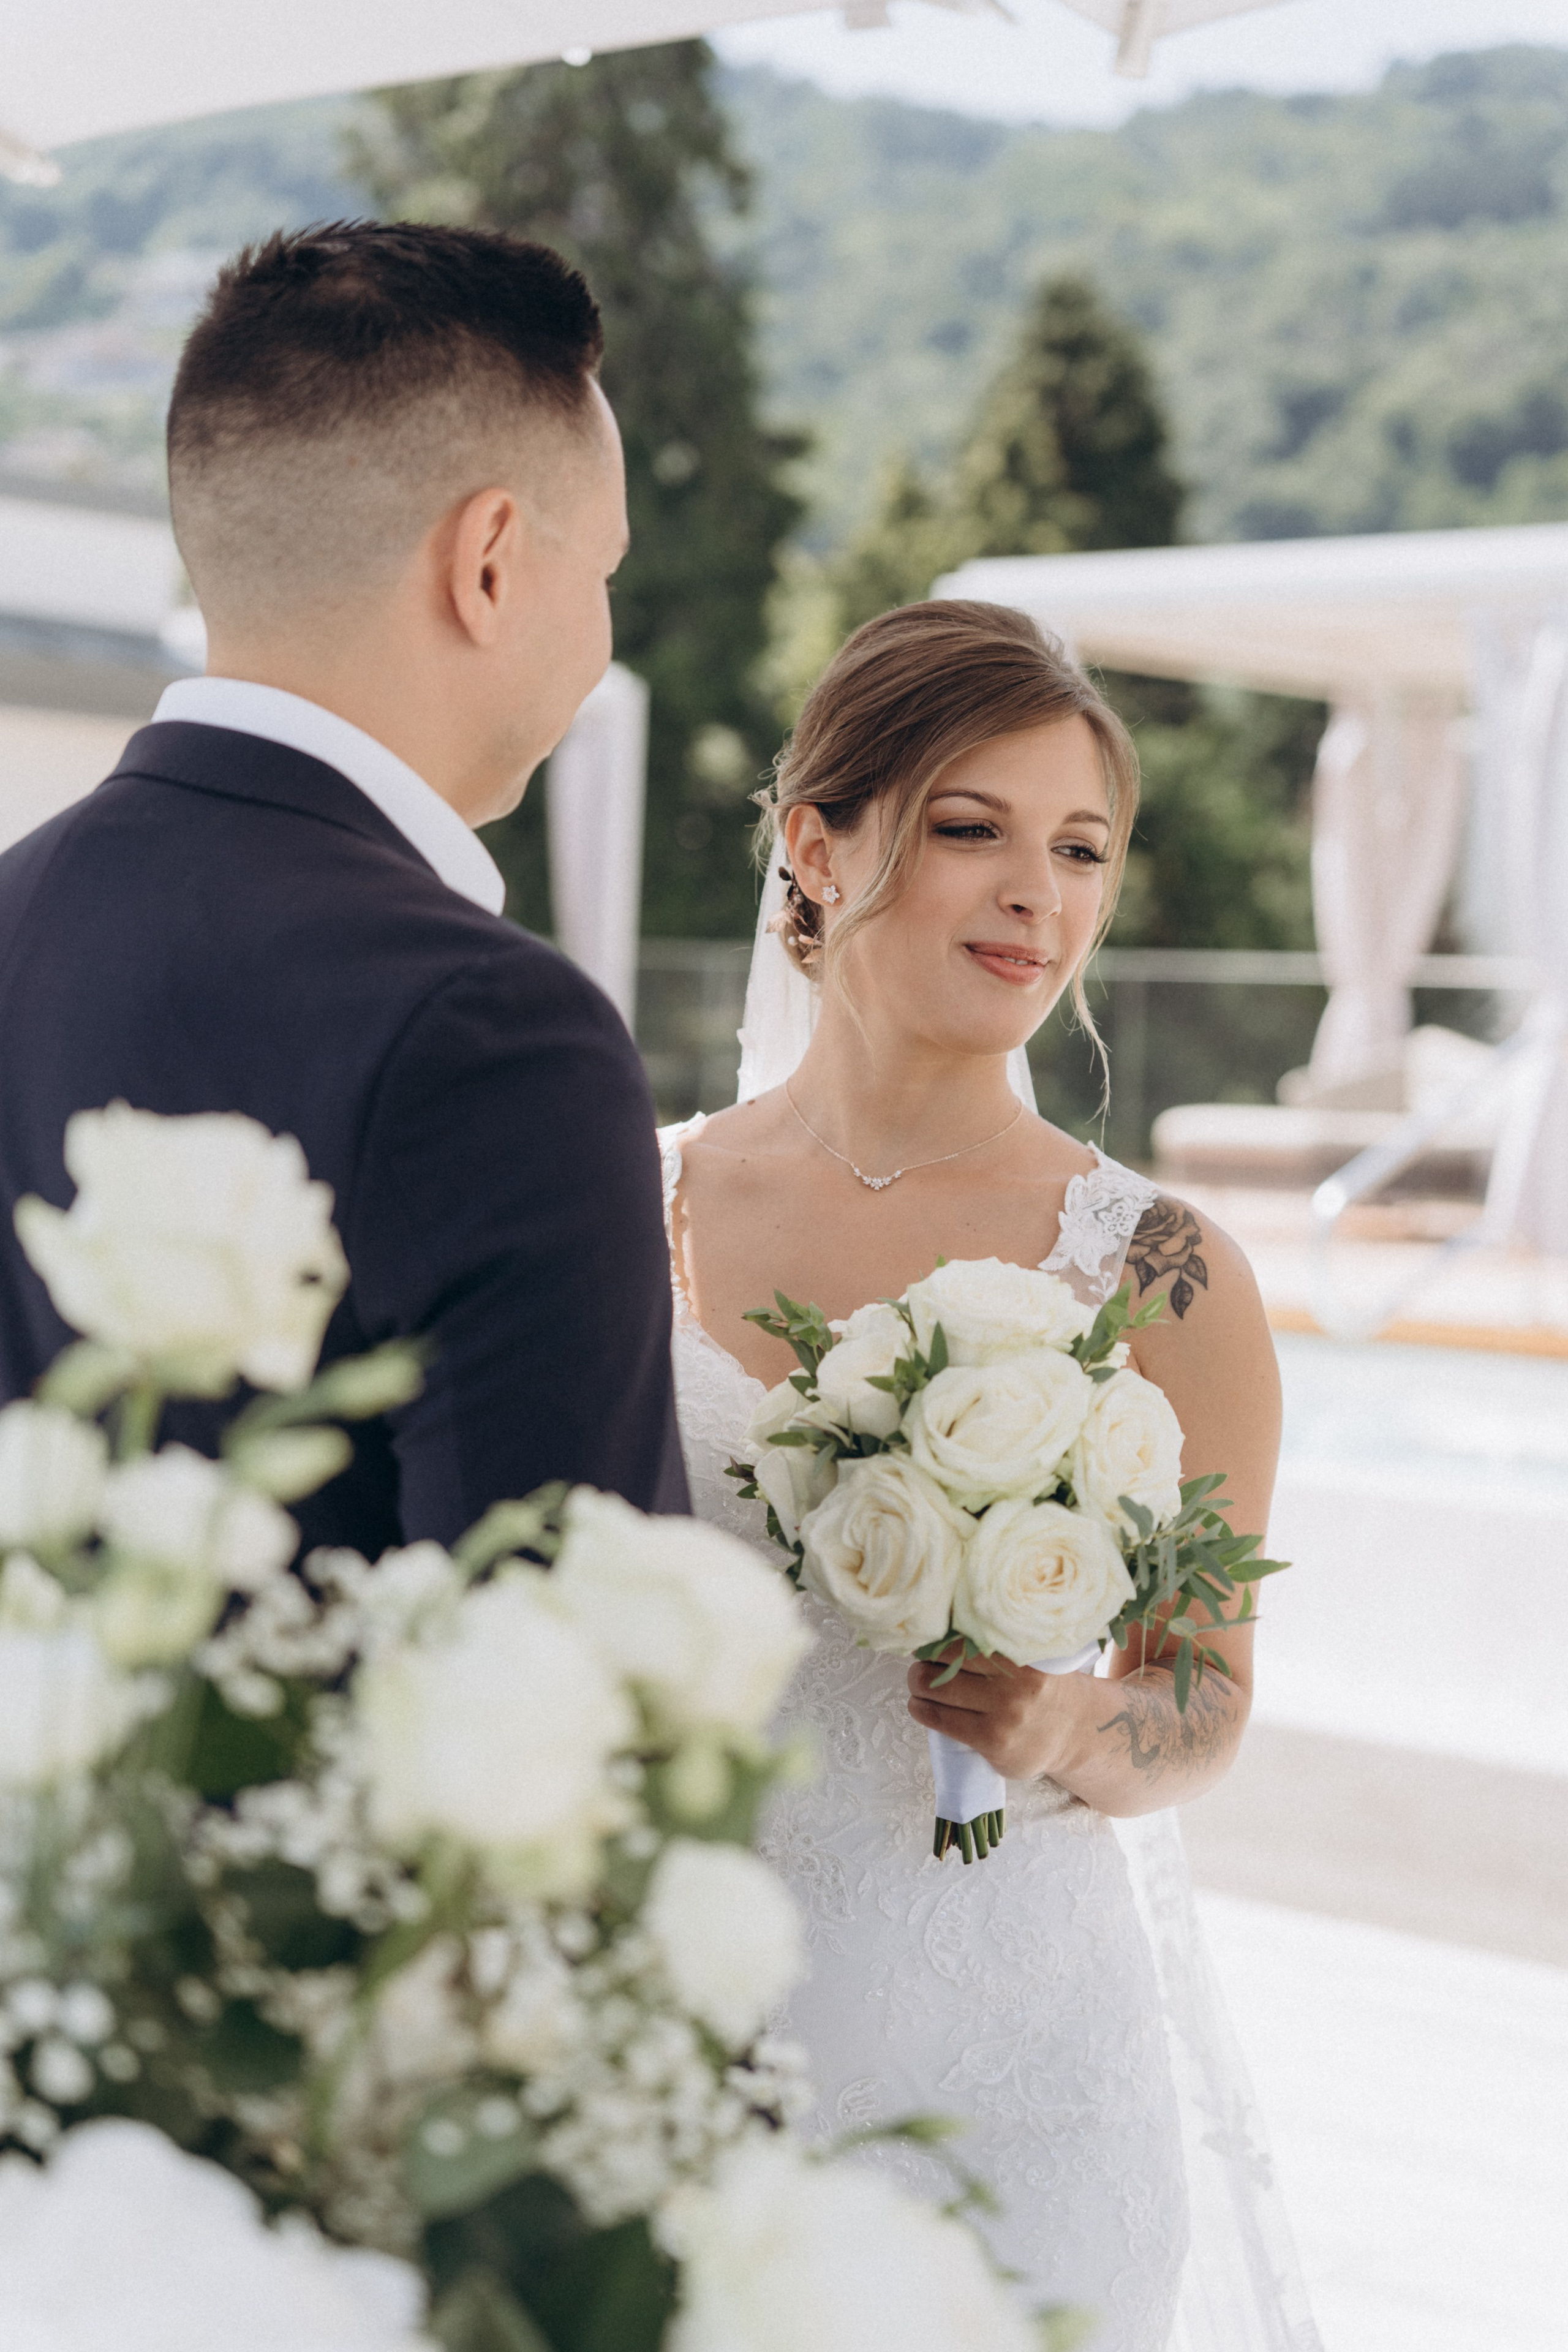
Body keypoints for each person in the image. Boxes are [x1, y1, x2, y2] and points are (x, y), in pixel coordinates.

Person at [660, 602, 1319, 2350]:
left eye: (1082, 848)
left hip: (1026, 2083)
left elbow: (1203, 1691)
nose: (1042, 894)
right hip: (684, 2056)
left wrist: (1060, 1732)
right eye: (973, 829)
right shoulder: (626, 1205)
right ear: (820, 843)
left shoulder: (1164, 1271)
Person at [0, 222, 688, 1549]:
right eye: (600, 568)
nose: (602, 628)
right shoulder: (496, 1031)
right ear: (490, 561)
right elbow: (561, 1690)